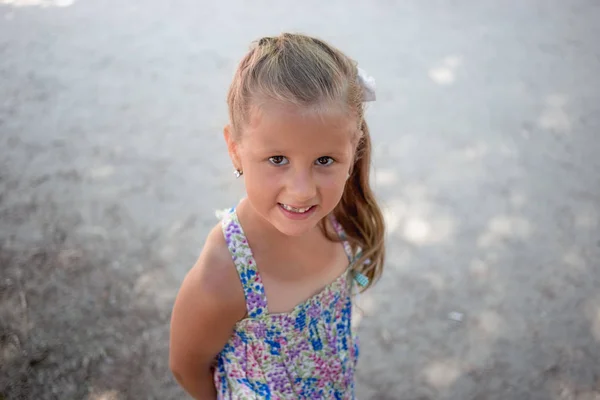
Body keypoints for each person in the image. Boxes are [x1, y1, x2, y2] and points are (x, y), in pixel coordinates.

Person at [169, 33, 385, 399]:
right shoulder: (224, 273)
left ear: (354, 149)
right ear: (235, 150)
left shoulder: (342, 215)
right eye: (277, 159)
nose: (302, 190)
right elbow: (186, 366)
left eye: (325, 160)